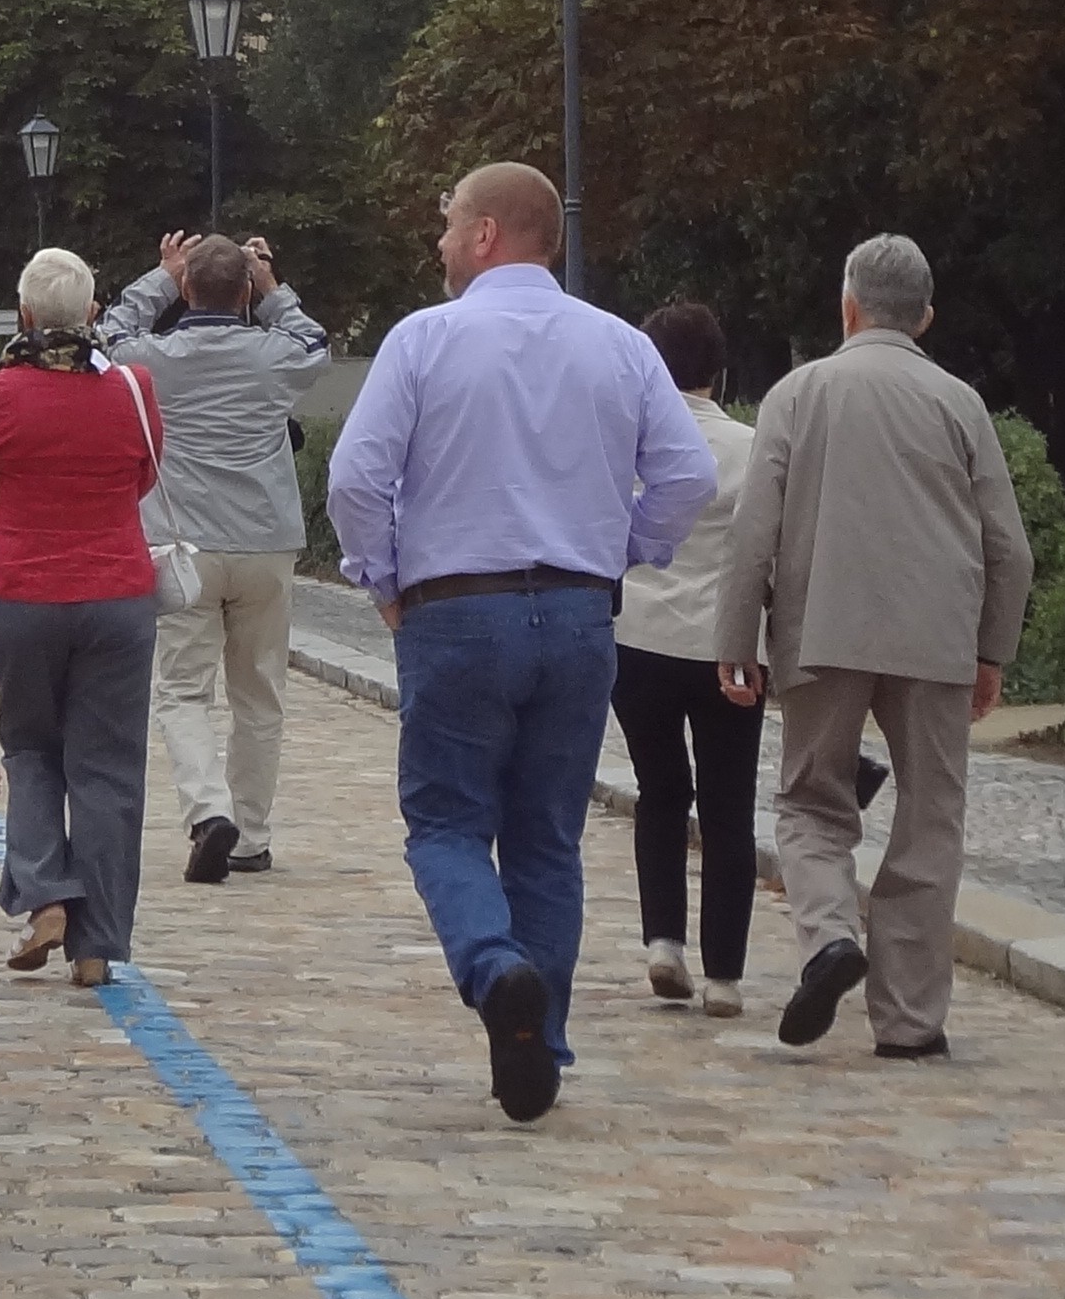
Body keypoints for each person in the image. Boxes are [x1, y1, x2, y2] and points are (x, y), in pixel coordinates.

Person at [325, 161, 712, 1122]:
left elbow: (356, 478)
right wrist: (622, 548)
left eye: (450, 223)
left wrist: (382, 580)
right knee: (547, 835)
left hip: (456, 609)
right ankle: (542, 1040)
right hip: (579, 614)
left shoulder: (425, 340)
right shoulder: (621, 345)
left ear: (488, 233)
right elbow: (689, 475)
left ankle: (497, 969)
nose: (441, 241)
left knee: (448, 823)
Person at [712, 240, 1034, 1062]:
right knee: (931, 819)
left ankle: (828, 937)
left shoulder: (798, 393)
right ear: (925, 316)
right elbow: (1009, 546)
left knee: (811, 801)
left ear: (848, 305)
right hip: (936, 637)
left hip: (820, 629)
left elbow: (753, 532)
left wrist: (737, 638)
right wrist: (991, 650)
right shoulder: (960, 403)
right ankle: (909, 1019)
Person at [0, 248, 164, 991]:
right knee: (108, 770)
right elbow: (144, 476)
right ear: (92, 312)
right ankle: (98, 944)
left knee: (30, 747)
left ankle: (46, 893)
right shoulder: (133, 389)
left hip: (23, 594)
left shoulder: (0, 394)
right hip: (117, 592)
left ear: (23, 314)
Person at [98, 230, 329, 883]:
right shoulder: (275, 355)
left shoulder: (153, 359)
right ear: (245, 291)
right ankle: (251, 834)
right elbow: (316, 343)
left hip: (184, 542)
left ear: (188, 290)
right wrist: (272, 287)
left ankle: (208, 810)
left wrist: (161, 277)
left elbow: (105, 338)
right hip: (265, 540)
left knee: (182, 690)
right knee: (259, 692)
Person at [606, 301, 762, 1019]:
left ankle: (664, 942)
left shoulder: (627, 444)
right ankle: (725, 973)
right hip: (726, 645)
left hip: (639, 636)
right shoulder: (752, 448)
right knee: (730, 807)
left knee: (661, 791)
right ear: (718, 370)